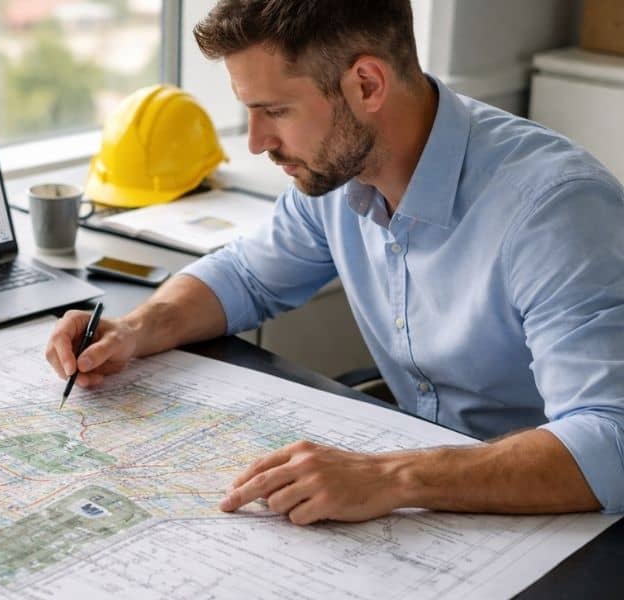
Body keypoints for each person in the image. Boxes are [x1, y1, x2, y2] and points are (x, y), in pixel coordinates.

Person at [45, 0, 624, 525]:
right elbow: (245, 275)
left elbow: (610, 440)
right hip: (430, 496)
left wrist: (392, 476)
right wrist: (133, 330)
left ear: (366, 84)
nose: (255, 141)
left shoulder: (554, 209)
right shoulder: (338, 176)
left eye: (275, 110)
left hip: (556, 514)